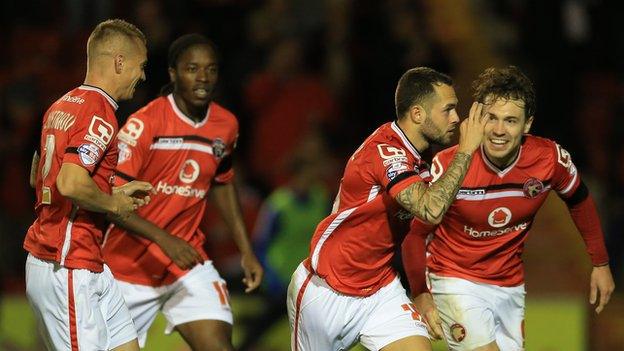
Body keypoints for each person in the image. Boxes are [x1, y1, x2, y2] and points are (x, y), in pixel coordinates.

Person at [402, 66, 616, 351]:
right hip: (454, 280)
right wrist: (420, 292)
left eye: (510, 120)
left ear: (527, 124)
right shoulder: (449, 167)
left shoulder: (549, 160)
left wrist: (600, 263)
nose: (499, 130)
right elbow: (415, 234)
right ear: (478, 118)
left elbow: (579, 200)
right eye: (491, 118)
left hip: (508, 286)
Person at [287, 67, 488, 351]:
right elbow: (429, 210)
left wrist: (420, 291)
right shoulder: (387, 151)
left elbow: (418, 230)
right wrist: (466, 149)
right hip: (327, 291)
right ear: (418, 114)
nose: (456, 118)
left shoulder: (421, 155)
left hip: (380, 291)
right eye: (448, 109)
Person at [101, 33, 264, 350]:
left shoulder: (225, 125)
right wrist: (164, 239)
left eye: (211, 69)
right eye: (192, 68)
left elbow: (223, 180)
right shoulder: (144, 125)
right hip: (126, 270)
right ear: (174, 73)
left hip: (187, 266)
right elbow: (112, 203)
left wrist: (245, 250)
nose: (203, 78)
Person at [24, 19, 149, 351]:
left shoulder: (61, 105)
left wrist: (113, 191)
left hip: (86, 261)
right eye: (141, 65)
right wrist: (113, 205)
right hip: (67, 264)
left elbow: (39, 175)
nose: (143, 75)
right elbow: (69, 182)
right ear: (120, 62)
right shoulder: (100, 112)